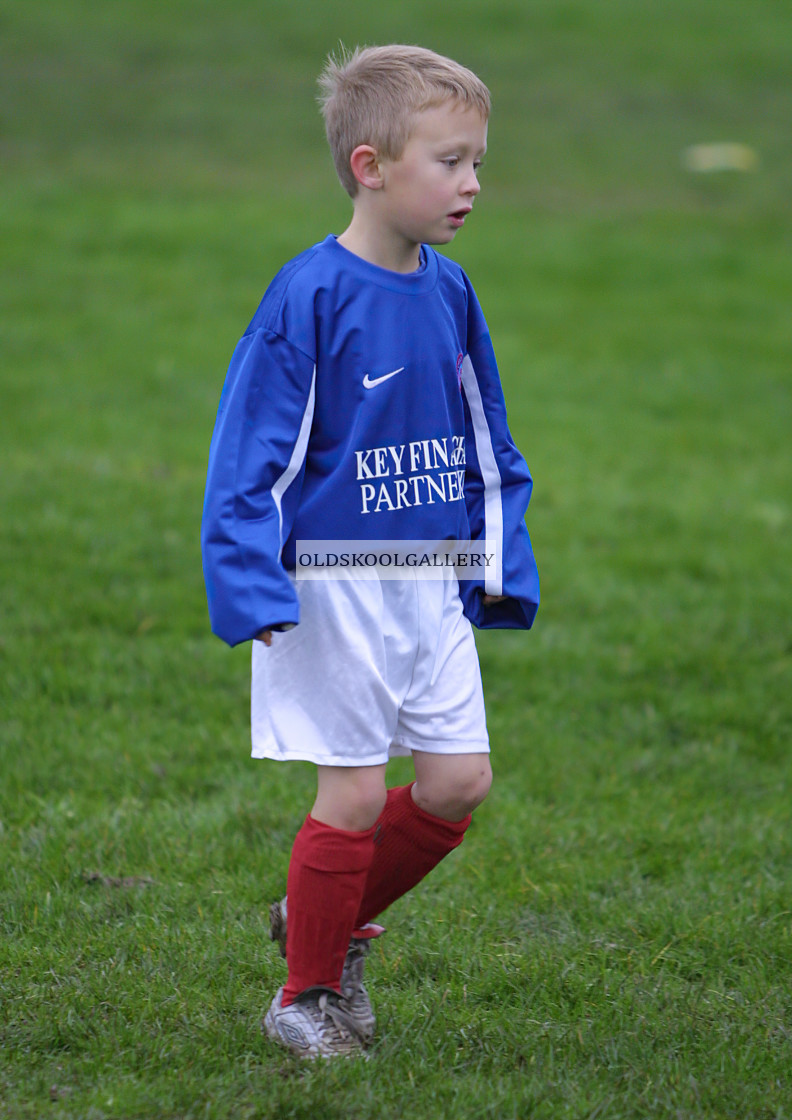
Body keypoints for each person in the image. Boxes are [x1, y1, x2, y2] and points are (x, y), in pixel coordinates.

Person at [200, 43, 540, 1058]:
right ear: (371, 165)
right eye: (450, 161)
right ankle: (305, 993)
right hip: (330, 586)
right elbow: (247, 455)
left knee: (457, 784)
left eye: (479, 161)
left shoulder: (451, 290)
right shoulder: (309, 295)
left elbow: (487, 437)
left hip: (429, 582)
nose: (473, 183)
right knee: (348, 794)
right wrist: (249, 577)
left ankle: (320, 919)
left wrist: (498, 560)